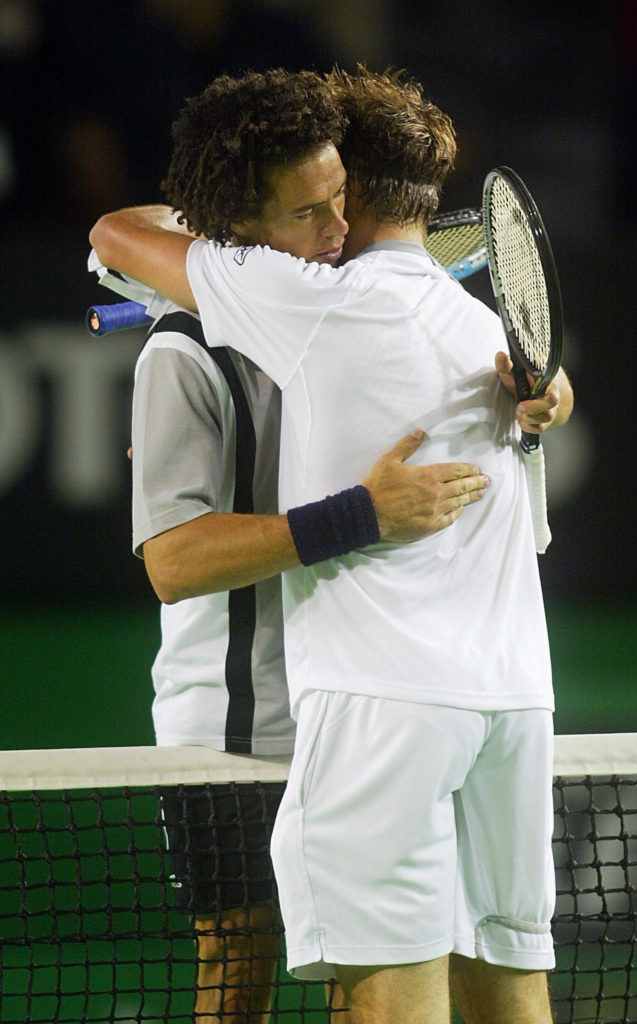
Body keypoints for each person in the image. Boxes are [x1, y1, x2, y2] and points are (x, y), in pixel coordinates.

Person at [90, 66, 573, 1024]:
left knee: (385, 993)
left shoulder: (390, 313)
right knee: (243, 975)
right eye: (311, 211)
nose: (336, 232)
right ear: (237, 232)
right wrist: (359, 513)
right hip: (240, 726)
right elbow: (174, 565)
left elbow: (114, 233)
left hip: (367, 708)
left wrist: (542, 400)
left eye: (338, 204)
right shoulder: (189, 352)